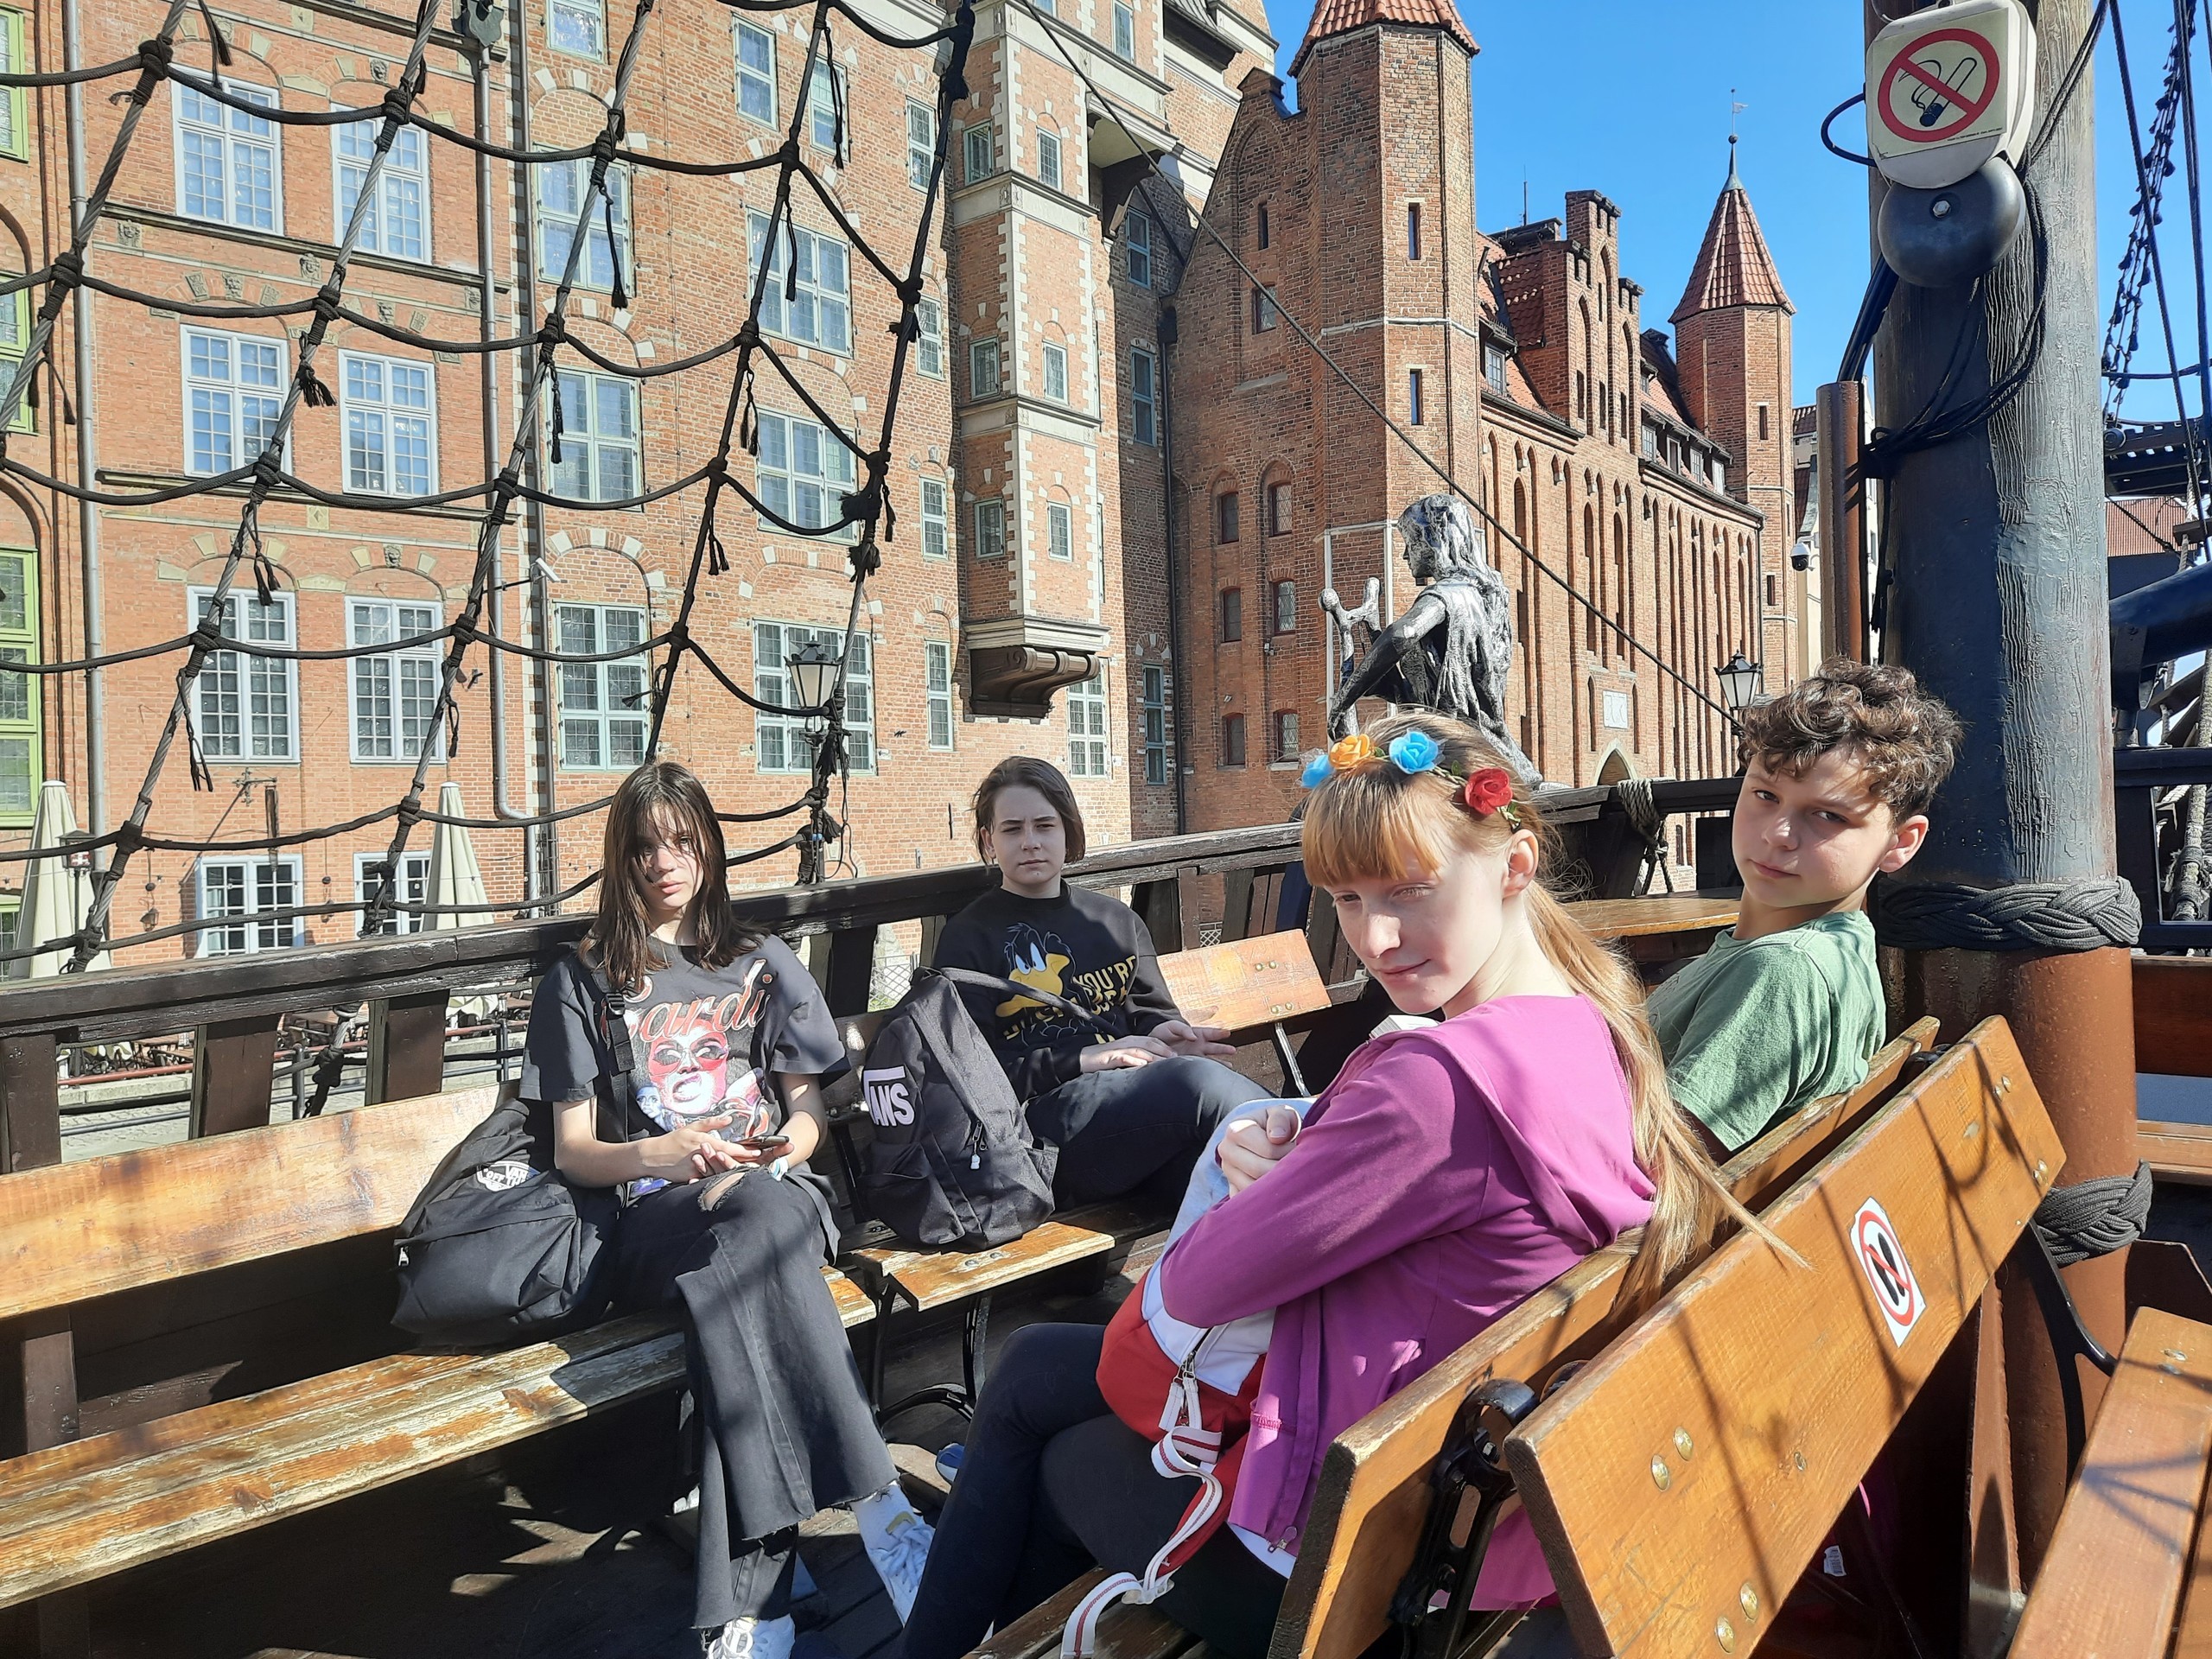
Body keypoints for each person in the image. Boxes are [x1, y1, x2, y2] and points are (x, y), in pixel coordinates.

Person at [899, 717, 1764, 1659]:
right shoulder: (1587, 1018)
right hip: (1476, 1509)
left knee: (1056, 1453)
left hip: (1353, 1571)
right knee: (1037, 1374)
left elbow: (1193, 1287)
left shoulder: (1437, 1083)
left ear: (1514, 866)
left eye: (1409, 890)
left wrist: (1256, 1175)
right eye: (1348, 899)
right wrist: (1318, 1148)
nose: (1375, 938)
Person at [519, 760, 931, 1659]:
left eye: (680, 841)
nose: (663, 863)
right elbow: (575, 1150)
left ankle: (749, 1610)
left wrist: (788, 1147)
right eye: (642, 847)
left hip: (773, 1198)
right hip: (654, 1222)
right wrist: (661, 1154)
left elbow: (807, 1112)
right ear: (620, 860)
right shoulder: (582, 980)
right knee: (751, 1257)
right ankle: (882, 1508)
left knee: (750, 1256)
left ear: (709, 843)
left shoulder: (760, 961)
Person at [1648, 659, 1961, 1157]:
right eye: (1765, 795)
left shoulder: (1783, 971)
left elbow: (1660, 1164)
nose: (1778, 834)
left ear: (1901, 842)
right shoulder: (1837, 946)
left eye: (1828, 816)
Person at [931, 756, 1270, 1208]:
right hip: (1044, 1135)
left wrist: (1163, 1035)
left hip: (1137, 1117)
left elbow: (1151, 1012)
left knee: (1228, 1181)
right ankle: (1316, 1142)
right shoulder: (969, 938)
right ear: (988, 840)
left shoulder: (1115, 921)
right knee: (1198, 1085)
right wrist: (1082, 1060)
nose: (1030, 842)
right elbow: (971, 1078)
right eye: (1012, 830)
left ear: (1068, 831)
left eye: (1044, 826)